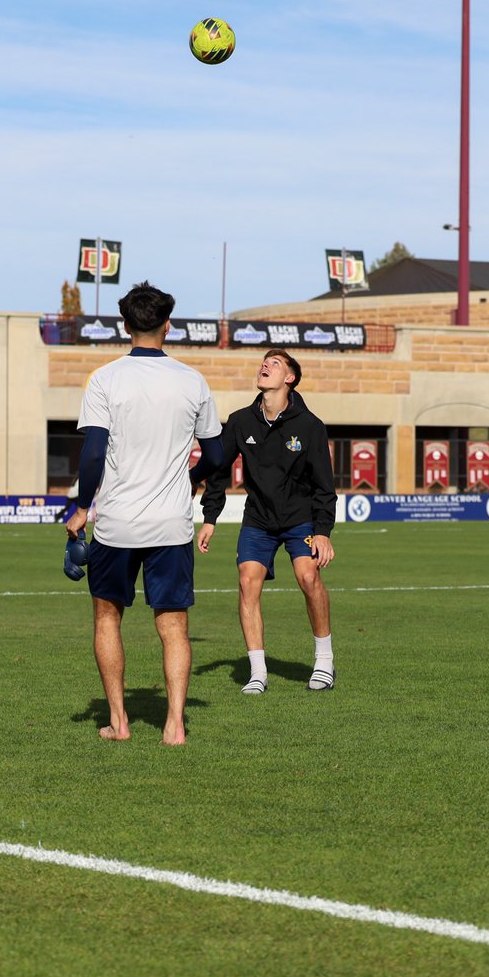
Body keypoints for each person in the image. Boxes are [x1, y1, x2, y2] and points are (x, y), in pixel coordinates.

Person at [65, 282, 223, 745]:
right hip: (172, 524)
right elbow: (215, 455)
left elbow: (93, 455)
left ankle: (119, 721)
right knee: (173, 626)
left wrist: (81, 507)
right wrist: (193, 483)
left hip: (116, 523)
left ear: (125, 325)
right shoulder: (192, 380)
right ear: (167, 325)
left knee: (107, 617)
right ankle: (175, 725)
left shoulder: (106, 379)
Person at [197, 349, 337, 694]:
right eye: (264, 362)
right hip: (258, 519)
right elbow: (217, 471)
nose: (265, 366)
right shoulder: (241, 421)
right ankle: (257, 672)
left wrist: (323, 533)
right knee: (247, 583)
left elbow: (324, 485)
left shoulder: (310, 426)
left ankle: (324, 661)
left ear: (289, 378)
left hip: (300, 518)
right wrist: (210, 518)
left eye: (275, 364)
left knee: (308, 576)